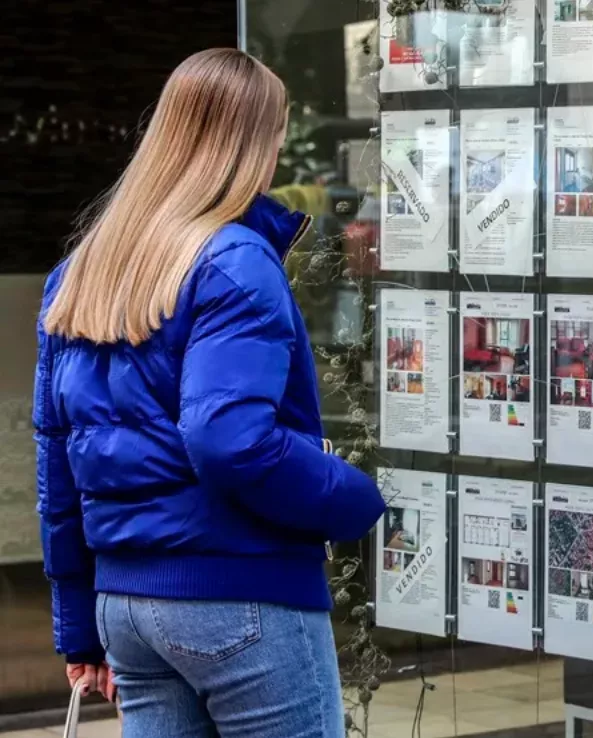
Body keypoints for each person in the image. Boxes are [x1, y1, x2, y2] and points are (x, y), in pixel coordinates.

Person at [33, 48, 385, 737]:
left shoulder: (83, 270)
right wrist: (354, 497)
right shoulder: (232, 259)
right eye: (278, 130)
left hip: (125, 605)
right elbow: (228, 438)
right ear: (255, 140)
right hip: (240, 593)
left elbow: (59, 466)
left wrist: (80, 630)